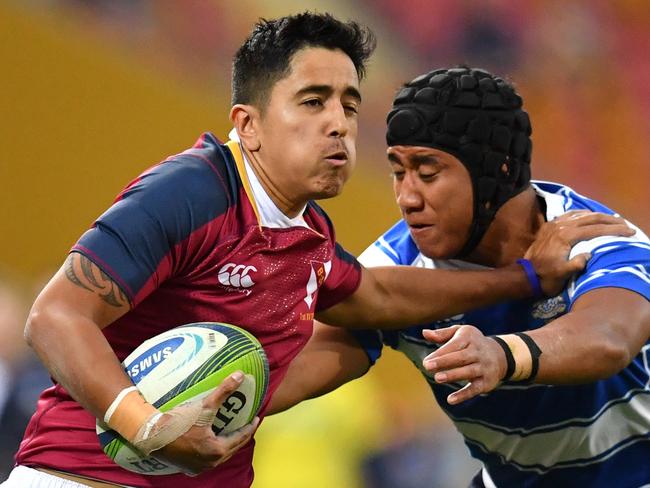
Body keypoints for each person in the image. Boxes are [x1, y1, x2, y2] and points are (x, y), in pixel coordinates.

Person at [2, 14, 630, 487]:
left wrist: (522, 278)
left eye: (349, 104)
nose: (339, 123)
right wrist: (149, 427)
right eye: (312, 102)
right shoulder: (192, 190)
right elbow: (54, 317)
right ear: (247, 124)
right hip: (82, 477)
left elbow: (377, 295)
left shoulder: (309, 235)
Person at [268, 66, 650, 488]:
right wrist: (211, 404)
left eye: (428, 173)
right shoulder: (394, 270)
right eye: (398, 172)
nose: (407, 197)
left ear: (500, 171)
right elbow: (298, 367)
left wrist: (501, 356)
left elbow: (608, 338)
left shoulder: (590, 238)